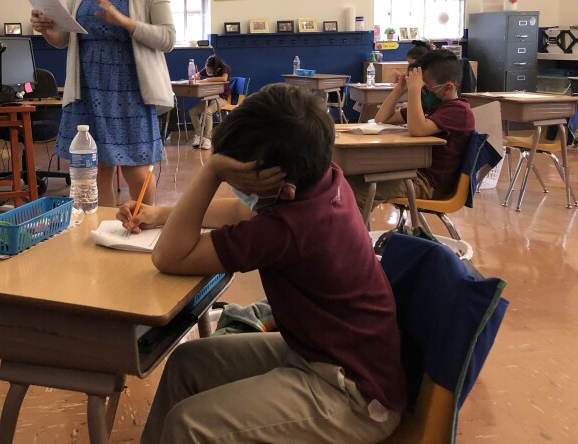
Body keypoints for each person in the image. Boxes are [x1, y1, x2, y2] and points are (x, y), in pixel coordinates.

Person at [118, 84, 406, 443]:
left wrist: (212, 173)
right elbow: (243, 209)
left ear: (280, 187)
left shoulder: (288, 228)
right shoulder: (322, 178)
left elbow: (169, 256)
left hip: (354, 396)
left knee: (189, 424)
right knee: (186, 364)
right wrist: (161, 213)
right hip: (320, 354)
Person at [30, 0, 174, 207]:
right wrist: (47, 29)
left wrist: (123, 21)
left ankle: (144, 225)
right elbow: (64, 38)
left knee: (136, 168)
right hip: (87, 85)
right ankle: (103, 233)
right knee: (93, 171)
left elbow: (167, 38)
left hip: (130, 88)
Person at [348, 49, 475, 205]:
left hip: (427, 183)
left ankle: (352, 229)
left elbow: (417, 130)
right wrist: (399, 89)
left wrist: (414, 90)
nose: (422, 93)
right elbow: (381, 119)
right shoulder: (431, 107)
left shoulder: (459, 111)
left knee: (357, 192)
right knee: (350, 180)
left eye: (426, 88)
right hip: (411, 172)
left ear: (448, 88)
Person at [188, 54, 230, 150]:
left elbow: (224, 79)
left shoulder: (224, 68)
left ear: (216, 68)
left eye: (210, 71)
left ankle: (208, 138)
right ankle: (199, 136)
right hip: (209, 98)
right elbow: (196, 75)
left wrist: (206, 79)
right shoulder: (208, 68)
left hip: (221, 98)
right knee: (192, 111)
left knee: (208, 112)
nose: (208, 72)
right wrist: (196, 76)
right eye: (207, 69)